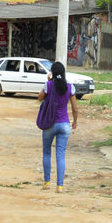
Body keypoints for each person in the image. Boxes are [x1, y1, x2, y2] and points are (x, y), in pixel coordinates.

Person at [36, 61, 79, 193]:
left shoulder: (49, 85)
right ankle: (60, 186)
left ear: (53, 73)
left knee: (47, 152)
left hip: (50, 124)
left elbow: (39, 98)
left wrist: (48, 80)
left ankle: (47, 182)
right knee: (60, 155)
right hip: (64, 124)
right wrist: (75, 121)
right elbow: (75, 108)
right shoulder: (70, 87)